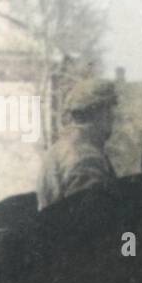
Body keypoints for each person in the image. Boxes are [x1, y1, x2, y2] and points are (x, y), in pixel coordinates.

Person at [37, 79, 119, 210]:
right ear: (98, 113)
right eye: (108, 109)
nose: (112, 117)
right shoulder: (87, 158)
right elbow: (92, 220)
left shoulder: (58, 149)